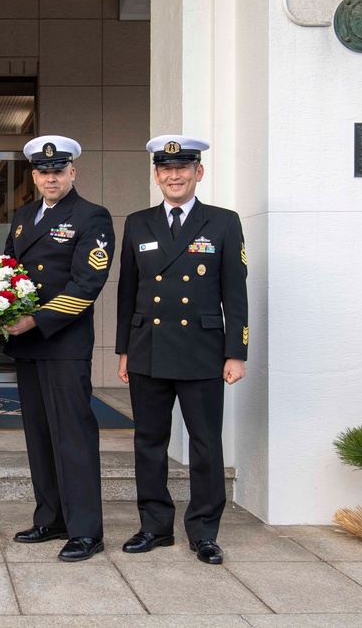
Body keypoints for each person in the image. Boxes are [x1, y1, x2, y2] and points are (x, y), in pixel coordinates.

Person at [115, 134, 248, 565]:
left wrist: (236, 351)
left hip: (203, 350)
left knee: (206, 443)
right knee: (149, 442)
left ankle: (204, 531)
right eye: (166, 169)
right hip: (148, 347)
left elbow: (235, 291)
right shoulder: (137, 222)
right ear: (156, 176)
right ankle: (154, 526)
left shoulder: (224, 222)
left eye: (183, 168)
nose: (174, 175)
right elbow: (128, 291)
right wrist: (123, 350)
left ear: (198, 173)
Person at [3, 135, 115, 562]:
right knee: (40, 435)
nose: (51, 177)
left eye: (58, 170)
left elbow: (87, 284)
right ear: (34, 176)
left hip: (63, 340)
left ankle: (86, 530)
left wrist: (36, 318)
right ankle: (51, 518)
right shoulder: (23, 215)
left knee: (73, 437)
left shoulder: (92, 216)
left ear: (73, 172)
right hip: (27, 345)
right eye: (43, 172)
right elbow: (7, 270)